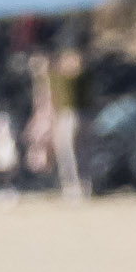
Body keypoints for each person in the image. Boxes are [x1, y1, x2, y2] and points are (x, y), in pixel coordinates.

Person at [46, 49, 91, 200]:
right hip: (65, 116)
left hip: (73, 115)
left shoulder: (78, 79)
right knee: (67, 153)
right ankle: (72, 185)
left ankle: (78, 185)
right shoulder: (57, 78)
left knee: (73, 152)